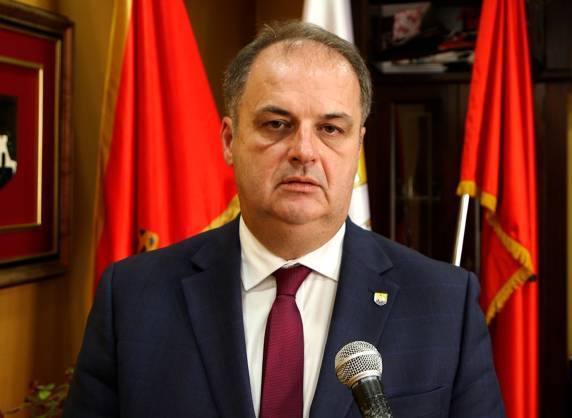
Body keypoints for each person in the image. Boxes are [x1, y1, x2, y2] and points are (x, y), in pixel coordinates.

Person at [64, 21, 505, 418]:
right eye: (277, 124)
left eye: (330, 129)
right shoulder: (132, 297)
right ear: (230, 140)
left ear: (357, 146)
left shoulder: (444, 304)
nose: (304, 151)